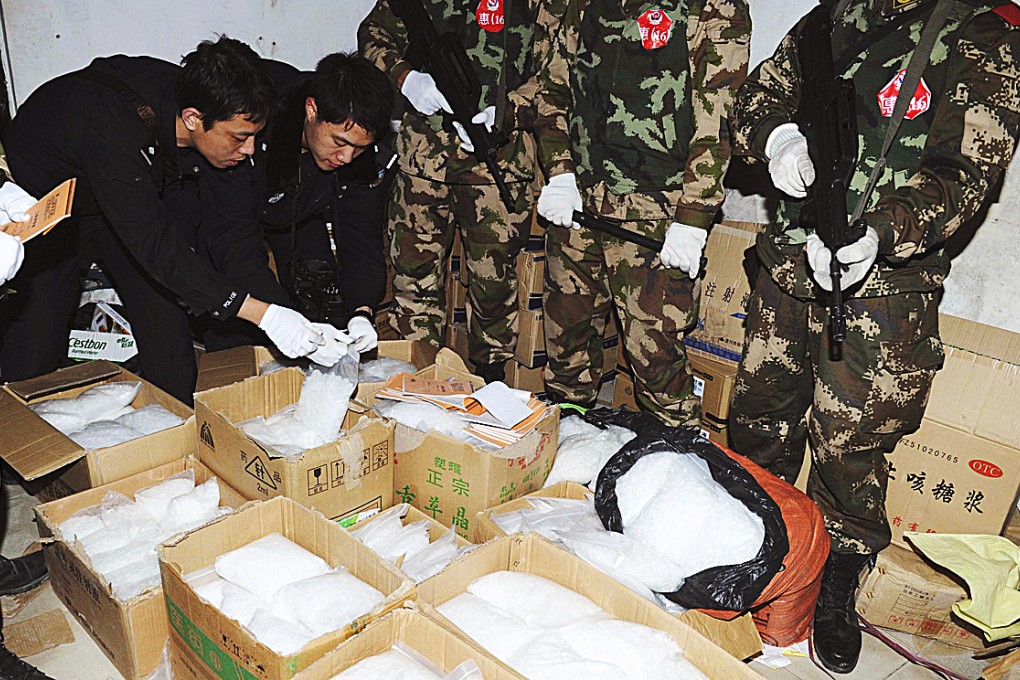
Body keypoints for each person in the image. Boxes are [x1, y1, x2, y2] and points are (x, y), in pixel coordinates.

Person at [727, 0, 1020, 672]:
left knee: (849, 447)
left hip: (881, 292)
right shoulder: (834, 16)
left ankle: (837, 567)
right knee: (758, 418)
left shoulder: (980, 31)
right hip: (788, 265)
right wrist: (776, 138)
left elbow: (965, 172)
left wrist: (882, 231)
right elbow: (762, 93)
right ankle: (754, 533)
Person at [0, 37, 348, 405]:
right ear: (193, 119)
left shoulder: (193, 98)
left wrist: (281, 312)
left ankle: (178, 428)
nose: (248, 151)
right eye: (240, 137)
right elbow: (155, 245)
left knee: (167, 327)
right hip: (44, 201)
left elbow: (190, 246)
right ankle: (20, 443)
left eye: (254, 138)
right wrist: (267, 317)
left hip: (119, 191)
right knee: (36, 336)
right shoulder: (112, 128)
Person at [535, 0, 751, 425]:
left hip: (654, 217)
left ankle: (680, 459)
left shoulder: (711, 7)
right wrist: (560, 172)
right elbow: (552, 90)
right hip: (578, 207)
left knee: (656, 363)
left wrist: (692, 218)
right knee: (566, 351)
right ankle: (567, 448)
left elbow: (718, 118)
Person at [358, 0, 567, 383]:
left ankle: (489, 388)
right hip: (424, 161)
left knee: (494, 291)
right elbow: (373, 34)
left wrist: (509, 112)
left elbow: (557, 71)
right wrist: (406, 77)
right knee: (413, 284)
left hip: (498, 165)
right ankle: (414, 386)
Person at [253, 53, 397, 354]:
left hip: (300, 207)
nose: (346, 157)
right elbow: (229, 239)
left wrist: (362, 312)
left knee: (323, 305)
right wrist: (274, 317)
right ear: (311, 111)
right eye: (340, 142)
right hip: (240, 200)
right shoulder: (256, 125)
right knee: (249, 327)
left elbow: (361, 238)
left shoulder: (359, 159)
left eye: (359, 147)